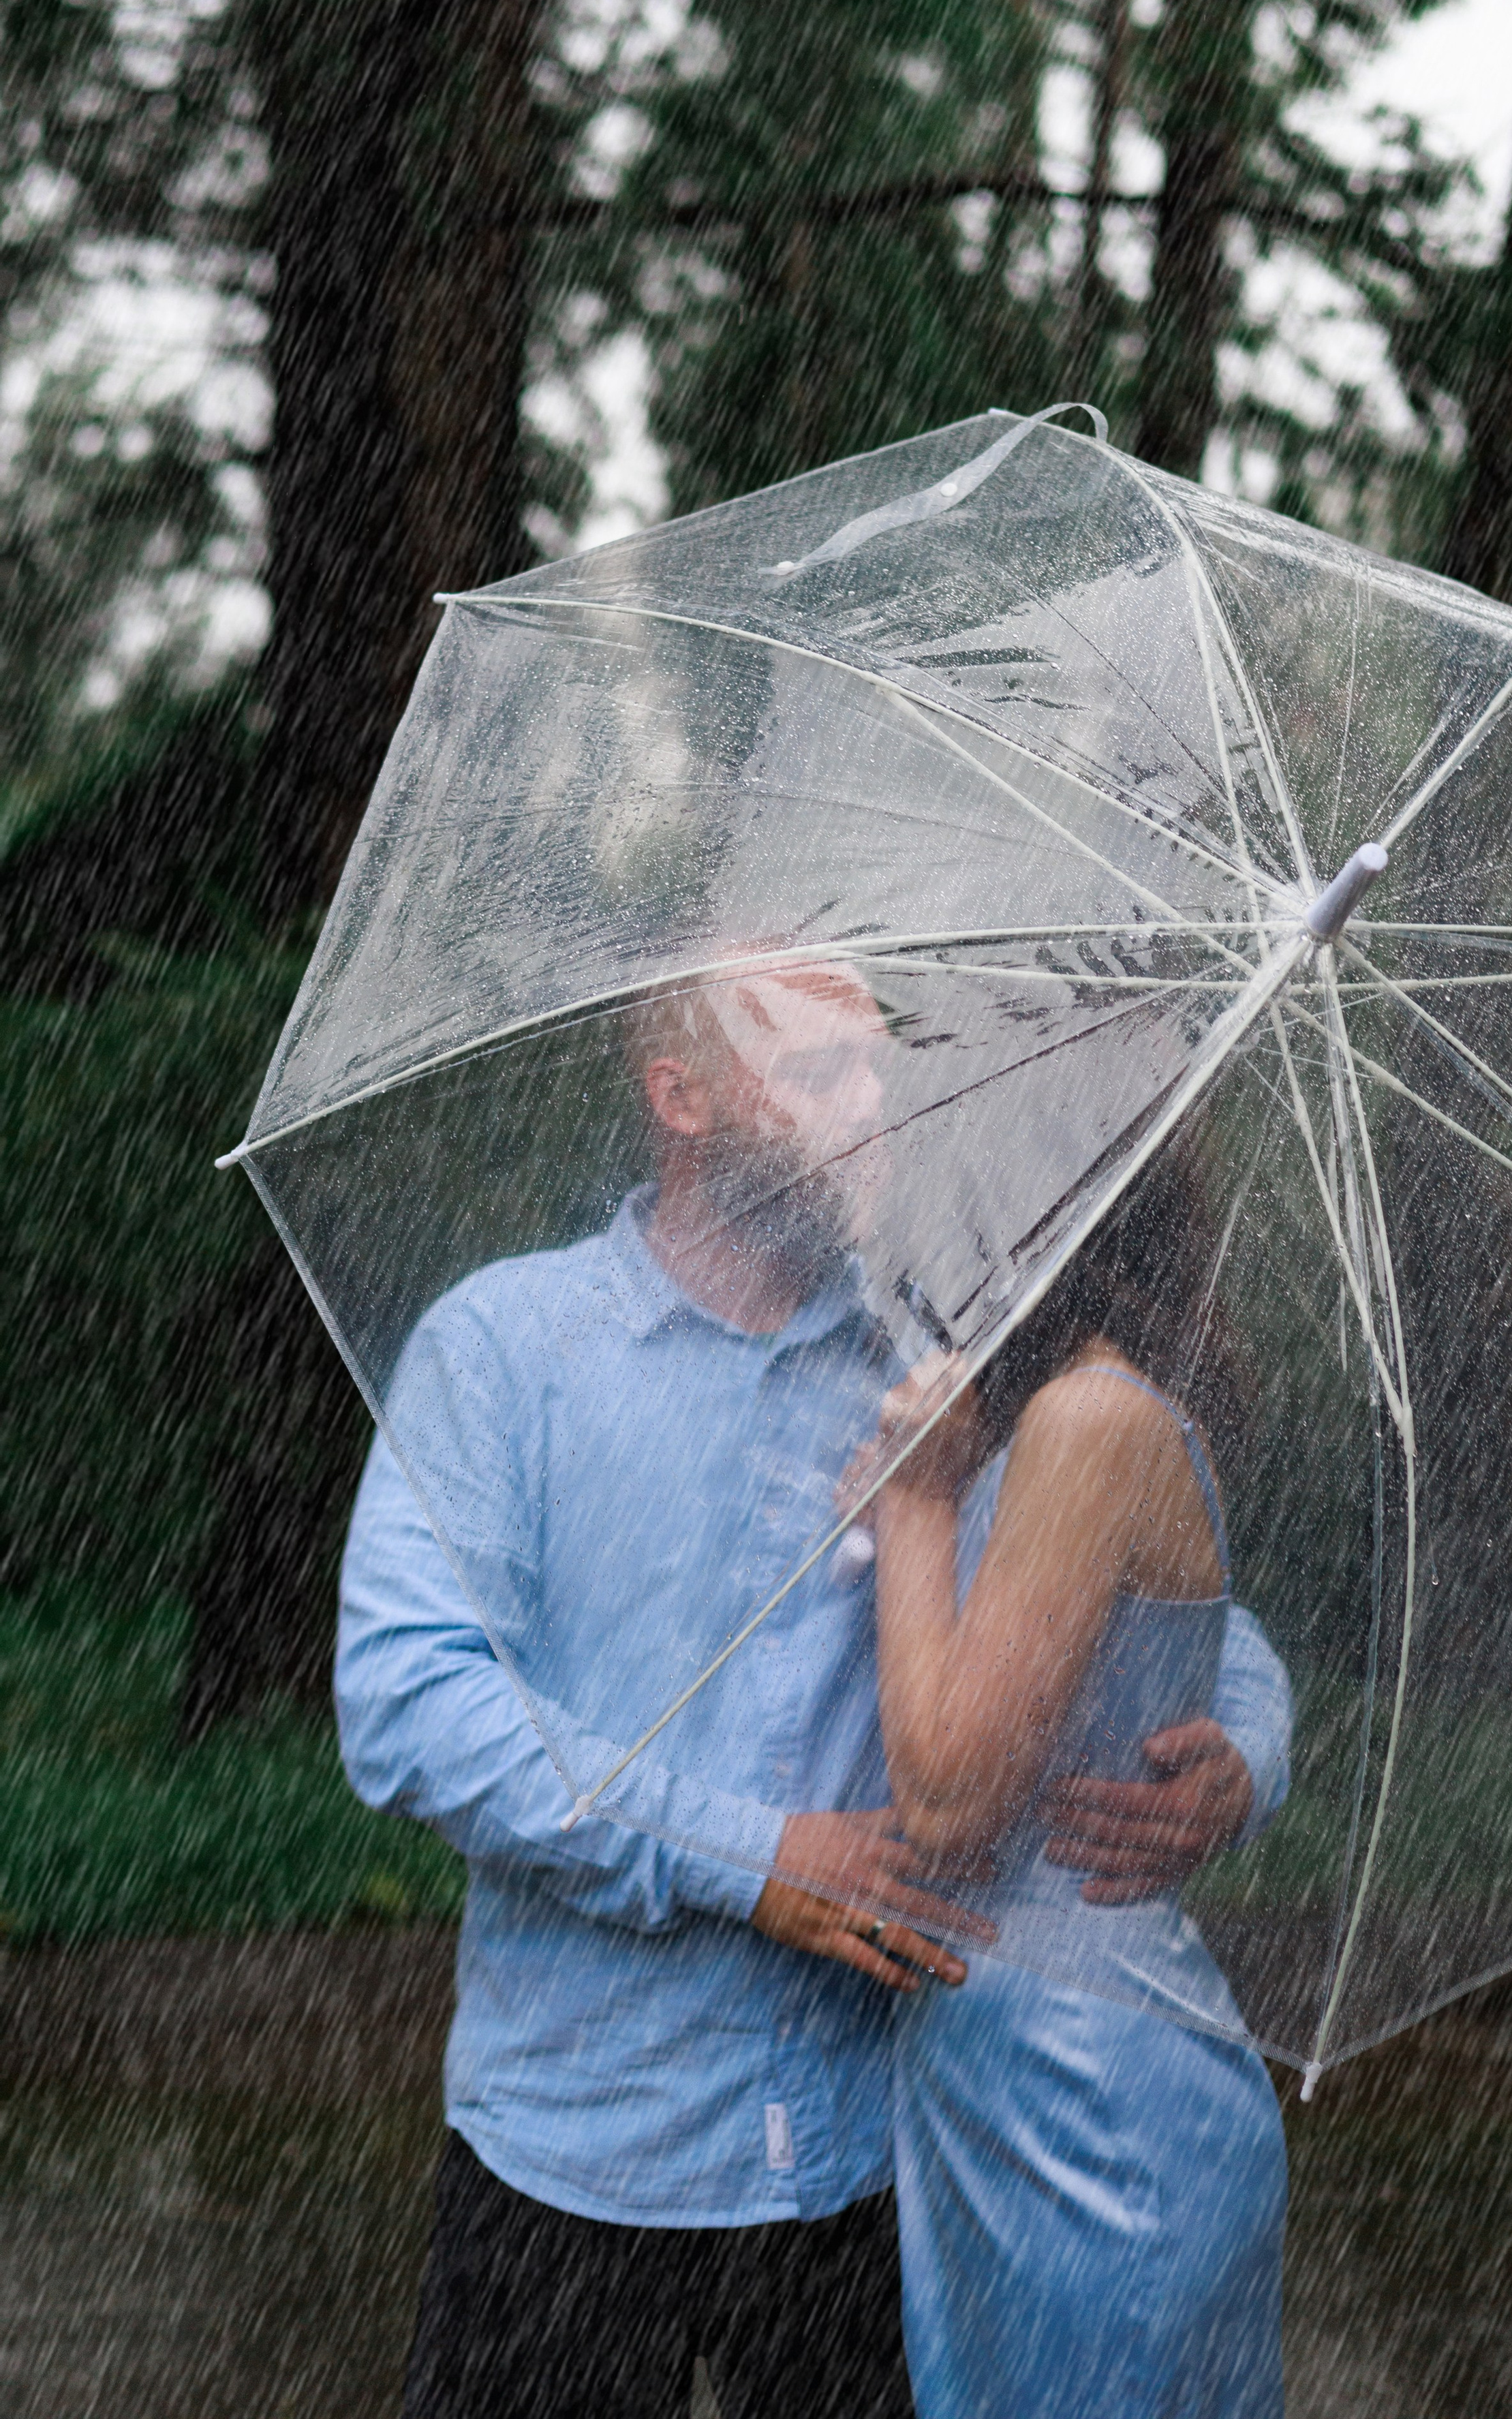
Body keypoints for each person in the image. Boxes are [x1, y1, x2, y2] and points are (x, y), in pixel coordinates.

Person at [335, 959, 1290, 2418]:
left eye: (878, 1064)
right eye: (822, 1073)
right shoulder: (504, 1350)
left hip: (867, 2159)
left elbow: (1170, 1595)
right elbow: (412, 1711)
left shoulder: (943, 1365)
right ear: (683, 1099)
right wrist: (747, 1858)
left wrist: (1244, 1756)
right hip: (579, 2151)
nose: (877, 1103)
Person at [848, 1149, 1289, 2419]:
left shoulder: (1086, 1422)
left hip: (1083, 2097)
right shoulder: (1034, 1411)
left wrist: (917, 1510)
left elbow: (951, 1806)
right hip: (1007, 2079)